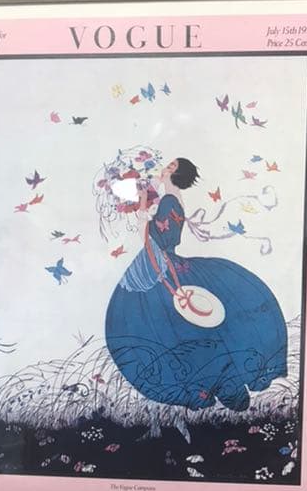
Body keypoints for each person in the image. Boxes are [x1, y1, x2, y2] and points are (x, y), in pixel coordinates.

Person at [105, 157, 288, 418]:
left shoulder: (169, 201)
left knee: (149, 320)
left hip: (158, 262)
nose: (164, 168)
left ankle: (216, 382)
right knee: (179, 325)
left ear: (174, 173)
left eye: (170, 166)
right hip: (160, 259)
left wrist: (143, 203)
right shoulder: (173, 199)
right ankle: (222, 382)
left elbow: (152, 234)